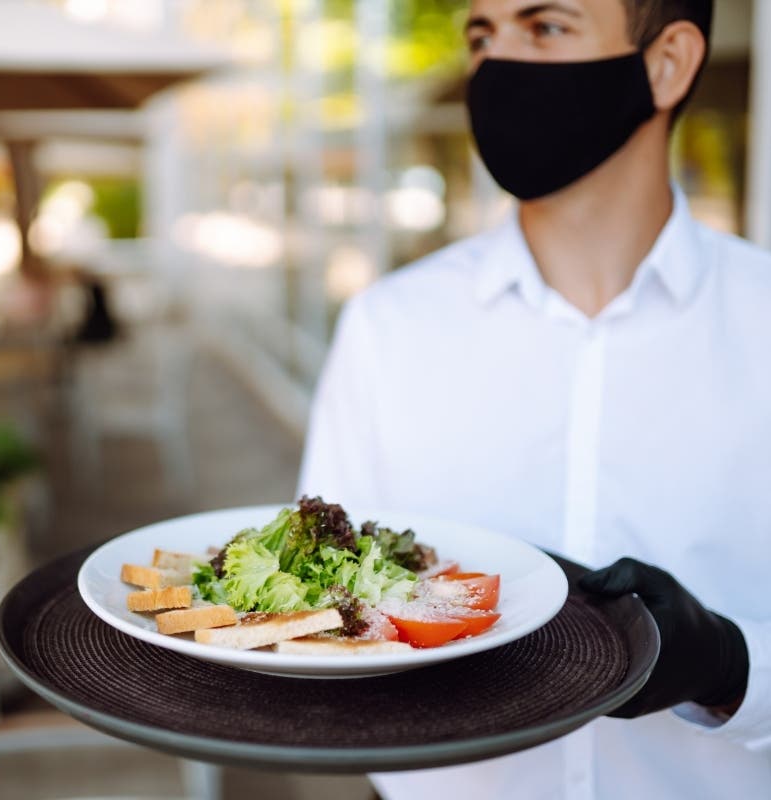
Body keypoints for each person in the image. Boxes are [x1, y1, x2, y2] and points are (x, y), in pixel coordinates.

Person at [297, 0, 771, 797]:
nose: (495, 66)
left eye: (544, 27)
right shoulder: (388, 326)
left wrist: (730, 664)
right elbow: (315, 619)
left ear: (666, 64)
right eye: (482, 36)